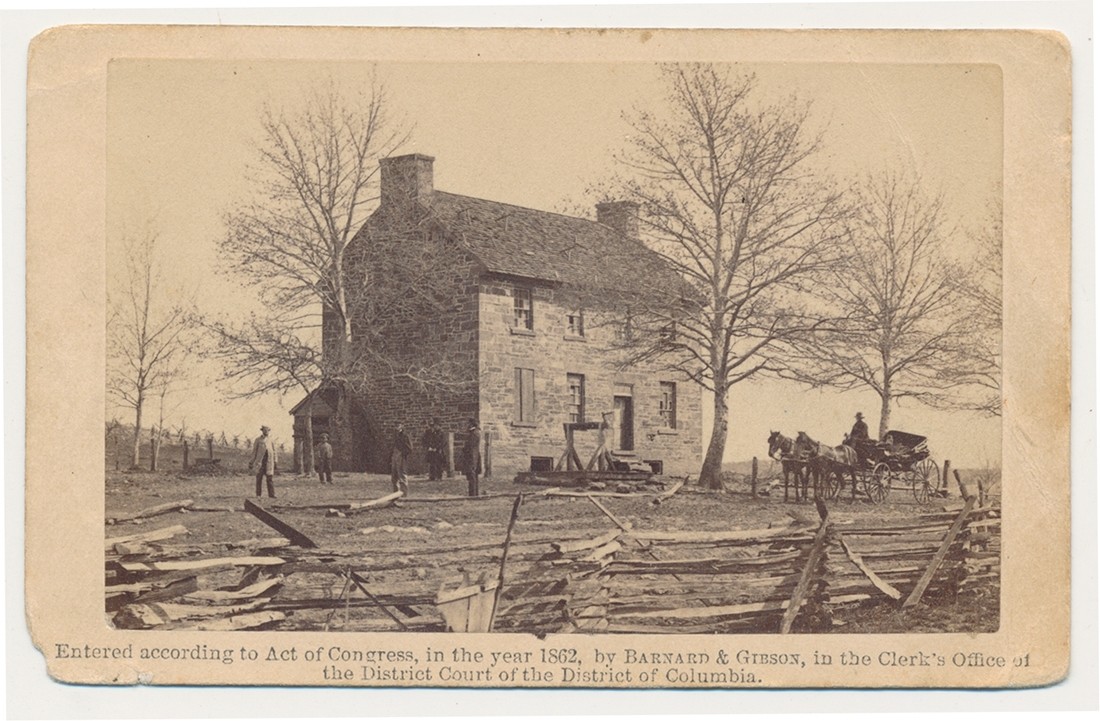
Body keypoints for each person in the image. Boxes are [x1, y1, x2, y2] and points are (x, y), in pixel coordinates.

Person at [248, 425, 277, 498]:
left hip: (269, 462)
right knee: (259, 478)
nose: (266, 431)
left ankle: (271, 495)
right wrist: (251, 462)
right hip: (260, 462)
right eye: (264, 430)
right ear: (262, 431)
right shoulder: (258, 440)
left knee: (269, 479)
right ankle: (258, 494)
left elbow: (274, 451)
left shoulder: (271, 440)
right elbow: (254, 451)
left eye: (267, 430)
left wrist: (275, 461)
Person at [461, 418, 482, 497]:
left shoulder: (474, 434)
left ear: (471, 424)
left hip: (472, 457)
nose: (467, 425)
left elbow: (471, 446)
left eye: (468, 424)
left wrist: (464, 450)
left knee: (472, 474)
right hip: (473, 456)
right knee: (473, 474)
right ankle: (473, 493)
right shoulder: (474, 433)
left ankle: (473, 493)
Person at [421, 418, 446, 482]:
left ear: (439, 426)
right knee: (432, 464)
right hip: (431, 450)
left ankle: (439, 477)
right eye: (434, 425)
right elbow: (425, 440)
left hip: (438, 451)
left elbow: (443, 442)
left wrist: (437, 448)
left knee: (439, 464)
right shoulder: (430, 432)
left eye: (436, 425)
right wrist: (428, 447)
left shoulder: (441, 433)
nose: (435, 427)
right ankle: (432, 476)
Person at [391, 423, 412, 494]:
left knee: (402, 474)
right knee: (394, 475)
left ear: (401, 428)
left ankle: (404, 492)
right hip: (395, 456)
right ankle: (396, 492)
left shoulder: (405, 436)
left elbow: (409, 448)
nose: (396, 429)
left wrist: (402, 454)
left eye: (398, 427)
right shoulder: (395, 436)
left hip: (401, 456)